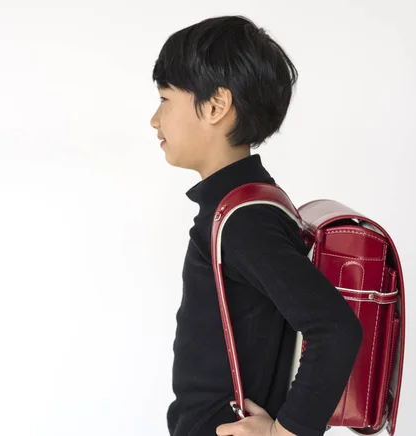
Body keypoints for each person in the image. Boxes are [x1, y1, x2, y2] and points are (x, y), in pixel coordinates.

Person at [150, 15, 364, 436]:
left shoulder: (244, 220)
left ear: (215, 106)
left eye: (165, 100)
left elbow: (336, 328)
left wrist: (284, 433)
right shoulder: (245, 204)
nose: (155, 120)